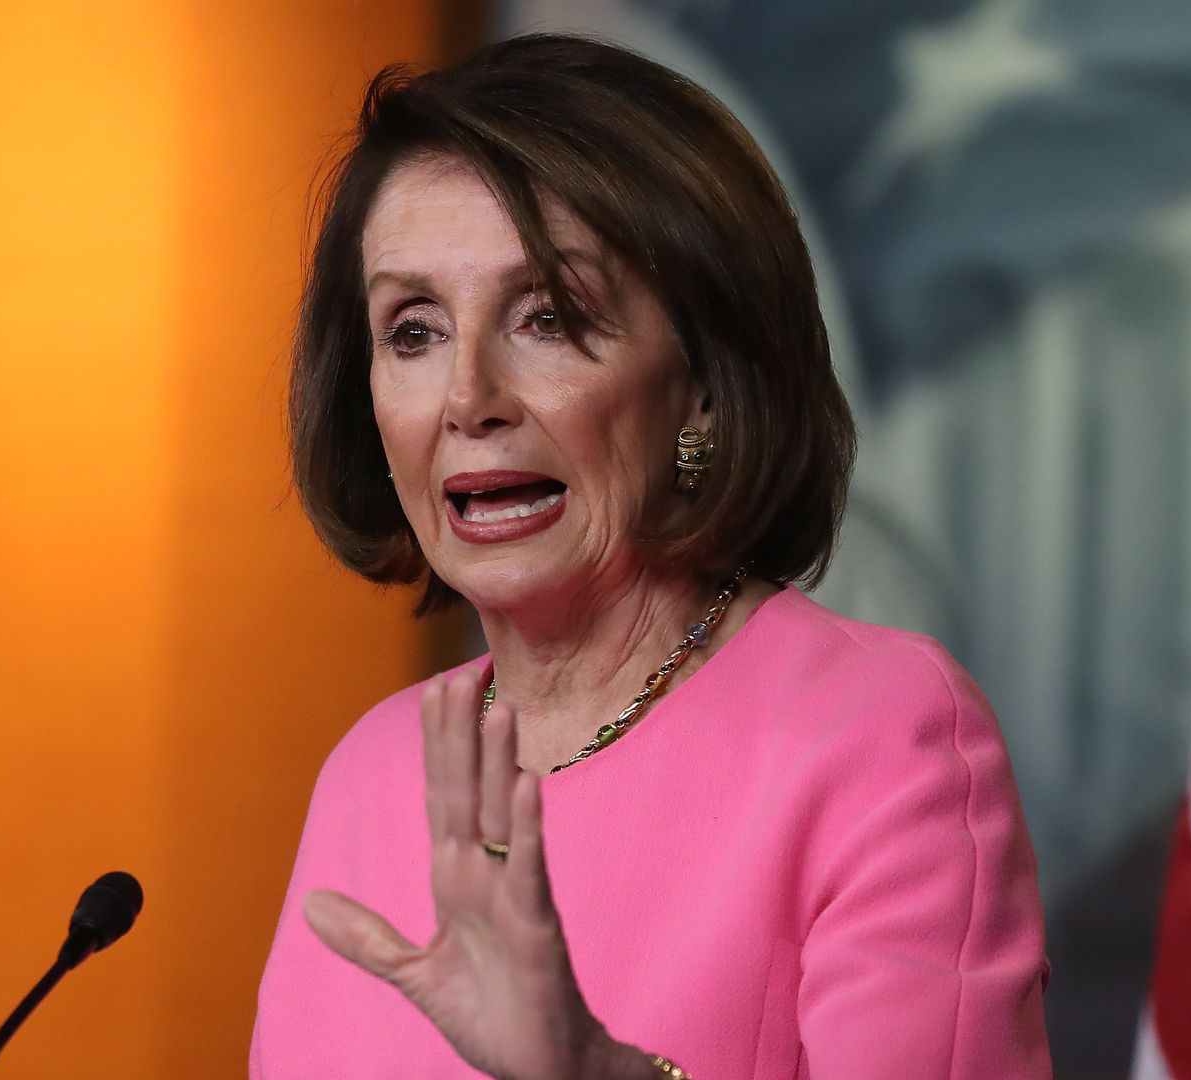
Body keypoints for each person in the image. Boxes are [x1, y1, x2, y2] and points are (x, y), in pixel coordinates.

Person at [252, 33, 1051, 1079]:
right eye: (413, 332)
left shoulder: (878, 738)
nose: (467, 398)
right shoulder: (373, 770)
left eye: (548, 316)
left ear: (705, 383)